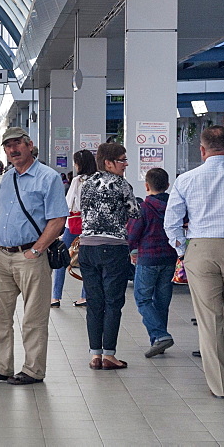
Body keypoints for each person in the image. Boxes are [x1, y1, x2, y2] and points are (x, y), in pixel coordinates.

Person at [0, 127, 68, 386]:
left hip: (31, 257)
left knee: (34, 317)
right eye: (8, 146)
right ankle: (0, 366)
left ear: (29, 146)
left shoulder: (48, 177)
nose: (13, 150)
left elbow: (58, 219)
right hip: (3, 257)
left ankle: (33, 370)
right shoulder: (8, 178)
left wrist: (36, 250)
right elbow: (1, 214)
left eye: (17, 144)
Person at [164, 125, 224, 398]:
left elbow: (171, 222)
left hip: (200, 250)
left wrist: (183, 251)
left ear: (202, 150)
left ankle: (220, 386)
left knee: (210, 319)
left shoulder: (187, 179)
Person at [78, 142, 140, 371]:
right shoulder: (122, 184)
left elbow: (82, 209)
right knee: (113, 302)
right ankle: (109, 355)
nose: (126, 164)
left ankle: (94, 355)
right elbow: (134, 212)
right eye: (122, 160)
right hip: (113, 248)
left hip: (87, 248)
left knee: (94, 302)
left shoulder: (86, 183)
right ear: (108, 162)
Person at [126, 167, 177, 358]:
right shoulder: (174, 205)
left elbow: (132, 234)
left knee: (143, 298)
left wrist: (129, 250)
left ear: (146, 186)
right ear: (168, 185)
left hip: (147, 259)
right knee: (162, 301)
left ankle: (160, 335)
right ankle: (158, 340)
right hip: (170, 259)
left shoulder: (143, 208)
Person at [52, 150, 97, 308]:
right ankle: (84, 297)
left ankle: (56, 297)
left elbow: (69, 203)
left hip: (74, 225)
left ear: (80, 164)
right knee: (88, 262)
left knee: (61, 259)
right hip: (92, 227)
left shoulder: (78, 180)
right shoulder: (98, 179)